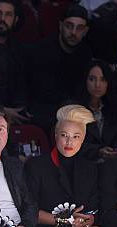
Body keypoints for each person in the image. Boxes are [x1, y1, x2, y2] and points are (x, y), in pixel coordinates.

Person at [25, 4, 93, 134]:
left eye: (79, 28)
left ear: (85, 32)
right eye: (69, 26)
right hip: (44, 111)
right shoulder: (42, 51)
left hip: (72, 111)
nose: (73, 32)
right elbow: (40, 92)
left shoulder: (85, 53)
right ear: (60, 26)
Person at [74, 59, 117, 161]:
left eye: (103, 79)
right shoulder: (73, 109)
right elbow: (70, 143)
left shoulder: (114, 108)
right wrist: (97, 151)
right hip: (81, 166)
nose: (97, 85)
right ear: (85, 80)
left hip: (109, 167)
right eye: (92, 79)